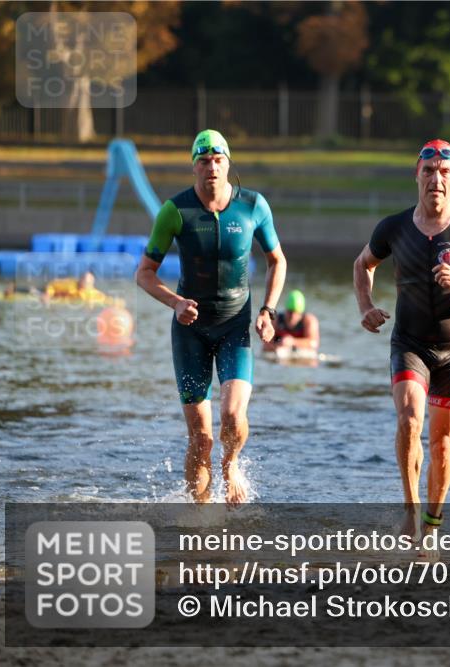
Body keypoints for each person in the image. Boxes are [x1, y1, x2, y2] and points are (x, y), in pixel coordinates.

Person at [352, 139, 450, 542]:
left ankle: (432, 524)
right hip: (409, 342)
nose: (436, 180)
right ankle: (410, 514)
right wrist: (365, 306)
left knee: (442, 444)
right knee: (409, 420)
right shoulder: (393, 227)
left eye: (444, 173)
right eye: (428, 172)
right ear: (417, 177)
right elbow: (362, 265)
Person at [136, 129, 287, 508]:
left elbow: (276, 260)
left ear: (228, 164)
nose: (212, 169)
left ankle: (231, 465)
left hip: (236, 325)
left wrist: (268, 311)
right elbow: (144, 274)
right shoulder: (175, 211)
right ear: (194, 169)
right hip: (190, 331)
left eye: (218, 161)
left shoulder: (252, 205)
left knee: (233, 416)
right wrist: (175, 303)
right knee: (201, 436)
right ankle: (200, 519)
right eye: (203, 162)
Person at [265, 289, 320, 353]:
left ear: (301, 312)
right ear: (286, 310)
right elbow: (265, 345)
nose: (292, 316)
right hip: (280, 352)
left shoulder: (309, 321)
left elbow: (314, 344)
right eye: (290, 312)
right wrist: (277, 346)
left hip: (301, 354)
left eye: (296, 312)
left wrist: (293, 342)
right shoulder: (276, 320)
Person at [43, 270, 115, 307]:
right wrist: (48, 294)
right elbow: (52, 284)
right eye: (84, 281)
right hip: (59, 298)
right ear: (80, 280)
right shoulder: (69, 285)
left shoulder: (93, 293)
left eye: (88, 283)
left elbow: (104, 299)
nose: (85, 284)